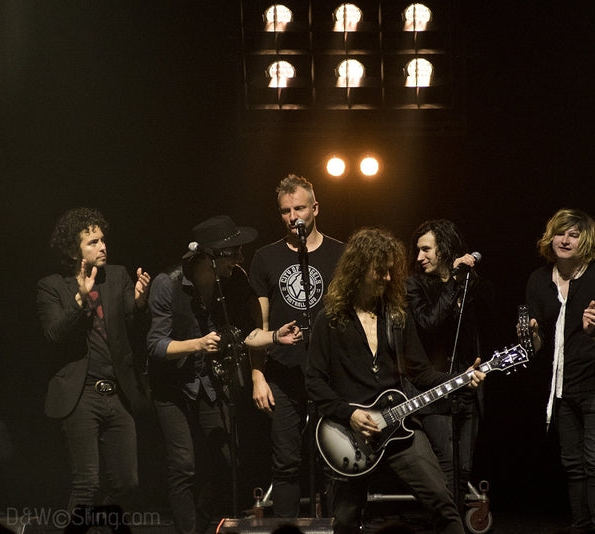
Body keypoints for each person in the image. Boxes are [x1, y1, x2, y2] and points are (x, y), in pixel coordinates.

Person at [305, 227, 486, 534]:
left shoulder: (398, 317)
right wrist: (348, 414)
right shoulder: (330, 320)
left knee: (444, 504)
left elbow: (421, 372)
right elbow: (314, 382)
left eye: (391, 272)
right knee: (346, 520)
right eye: (380, 272)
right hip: (350, 436)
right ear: (359, 270)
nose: (388, 279)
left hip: (400, 429)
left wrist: (460, 378)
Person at [146, 215, 301, 534]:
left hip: (209, 385)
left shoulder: (234, 282)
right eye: (234, 253)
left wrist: (275, 337)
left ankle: (205, 523)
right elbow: (155, 345)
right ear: (210, 257)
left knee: (226, 463)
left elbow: (246, 333)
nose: (240, 259)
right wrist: (197, 344)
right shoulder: (168, 283)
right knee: (184, 466)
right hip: (172, 389)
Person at [524, 208, 595, 534]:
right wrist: (531, 335)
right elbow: (539, 345)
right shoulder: (539, 280)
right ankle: (581, 527)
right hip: (563, 389)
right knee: (572, 465)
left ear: (585, 241)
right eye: (561, 233)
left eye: (573, 234)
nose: (565, 239)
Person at [36, 207, 150, 512]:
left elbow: (133, 322)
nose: (102, 247)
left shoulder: (117, 275)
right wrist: (79, 299)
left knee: (128, 484)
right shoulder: (53, 286)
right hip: (81, 394)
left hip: (117, 392)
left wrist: (139, 301)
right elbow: (53, 334)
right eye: (92, 242)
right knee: (87, 483)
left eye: (102, 240)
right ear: (75, 251)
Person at [248, 174, 345, 518]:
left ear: (315, 208)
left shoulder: (340, 253)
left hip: (329, 375)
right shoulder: (265, 258)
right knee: (286, 462)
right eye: (286, 211)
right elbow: (257, 327)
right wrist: (257, 376)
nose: (293, 217)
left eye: (300, 208)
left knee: (335, 461)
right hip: (283, 373)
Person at [406, 219, 493, 504]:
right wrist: (452, 282)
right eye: (418, 251)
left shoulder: (470, 284)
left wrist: (462, 280)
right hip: (435, 392)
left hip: (469, 388)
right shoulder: (415, 286)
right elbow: (429, 321)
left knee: (463, 470)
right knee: (446, 469)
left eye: (426, 250)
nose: (419, 257)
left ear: (444, 249)